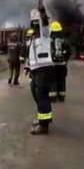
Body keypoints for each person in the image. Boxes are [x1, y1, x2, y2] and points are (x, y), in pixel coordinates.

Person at [28, 7, 55, 135]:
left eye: (35, 22)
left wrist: (42, 13)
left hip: (44, 70)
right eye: (32, 22)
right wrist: (29, 67)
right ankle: (43, 118)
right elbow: (34, 54)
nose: (34, 24)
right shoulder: (34, 36)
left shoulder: (44, 33)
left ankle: (44, 126)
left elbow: (44, 23)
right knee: (34, 90)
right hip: (36, 70)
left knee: (42, 95)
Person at [49, 21, 71, 102]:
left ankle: (52, 97)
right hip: (62, 65)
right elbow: (69, 52)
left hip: (52, 65)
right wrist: (65, 60)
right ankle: (61, 96)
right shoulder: (65, 41)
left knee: (52, 80)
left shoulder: (49, 41)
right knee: (61, 80)